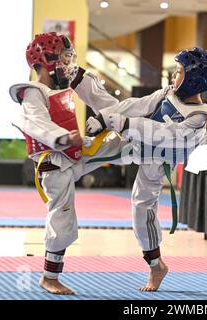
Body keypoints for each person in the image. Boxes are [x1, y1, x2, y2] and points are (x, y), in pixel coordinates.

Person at [9, 32, 169, 295]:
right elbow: (34, 123)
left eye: (68, 58)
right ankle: (49, 277)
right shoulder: (32, 93)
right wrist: (62, 137)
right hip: (53, 163)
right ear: (46, 60)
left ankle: (155, 261)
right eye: (62, 58)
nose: (67, 64)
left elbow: (110, 105)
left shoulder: (65, 85)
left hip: (76, 153)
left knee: (128, 145)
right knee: (62, 216)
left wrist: (124, 114)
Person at [85, 47, 207, 292]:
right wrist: (106, 118)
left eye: (179, 72)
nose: (173, 76)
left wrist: (123, 123)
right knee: (94, 135)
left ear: (193, 80)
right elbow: (137, 105)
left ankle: (156, 265)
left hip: (156, 160)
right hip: (134, 142)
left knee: (141, 210)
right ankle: (76, 78)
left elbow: (164, 134)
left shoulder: (198, 117)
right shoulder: (168, 92)